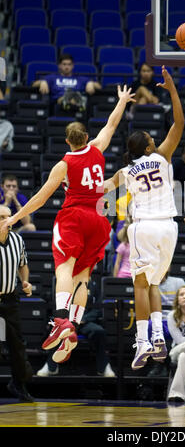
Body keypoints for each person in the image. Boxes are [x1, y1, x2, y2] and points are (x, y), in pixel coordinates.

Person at [0, 85, 136, 365]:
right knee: (82, 277)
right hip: (100, 218)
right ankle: (73, 323)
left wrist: (14, 217)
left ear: (67, 141)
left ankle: (61, 319)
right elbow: (112, 123)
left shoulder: (63, 165)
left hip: (75, 216)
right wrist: (121, 100)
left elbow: (40, 197)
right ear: (86, 137)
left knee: (64, 267)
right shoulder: (98, 148)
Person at [104, 66, 185, 370]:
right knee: (153, 284)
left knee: (140, 285)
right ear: (150, 146)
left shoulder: (125, 171)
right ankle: (159, 339)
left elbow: (102, 190)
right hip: (169, 229)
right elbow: (179, 122)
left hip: (143, 229)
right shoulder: (162, 157)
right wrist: (172, 90)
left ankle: (142, 342)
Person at [37, 284, 115, 377]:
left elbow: (97, 309)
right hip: (66, 322)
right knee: (59, 330)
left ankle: (104, 367)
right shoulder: (63, 285)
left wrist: (83, 319)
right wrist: (67, 320)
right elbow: (55, 307)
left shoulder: (93, 286)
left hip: (85, 322)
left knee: (99, 332)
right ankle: (50, 366)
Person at [0, 205, 34, 402]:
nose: (8, 220)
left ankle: (19, 384)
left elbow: (23, 264)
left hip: (10, 299)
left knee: (17, 345)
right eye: (3, 217)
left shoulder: (17, 240)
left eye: (9, 216)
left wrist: (25, 281)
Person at [32, 53, 101, 111]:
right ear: (59, 65)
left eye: (69, 64)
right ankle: (68, 101)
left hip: (76, 101)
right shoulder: (52, 77)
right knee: (67, 98)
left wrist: (91, 83)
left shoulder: (80, 78)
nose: (67, 67)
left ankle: (72, 101)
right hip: (59, 103)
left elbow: (99, 87)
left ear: (73, 66)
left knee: (76, 97)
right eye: (64, 64)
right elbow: (33, 85)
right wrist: (43, 82)